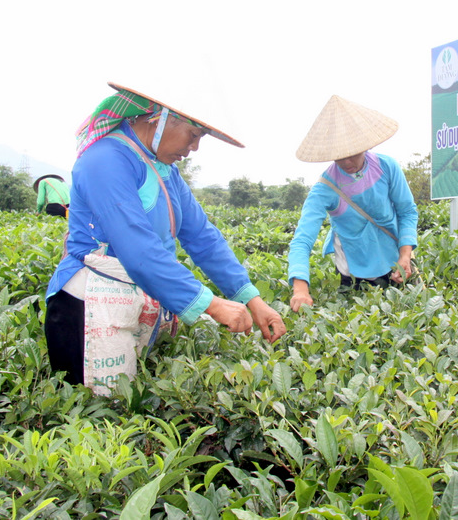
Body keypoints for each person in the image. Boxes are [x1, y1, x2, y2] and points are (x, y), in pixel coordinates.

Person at [44, 82, 286, 394]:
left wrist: (251, 299)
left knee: (127, 411)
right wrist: (211, 304)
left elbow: (203, 237)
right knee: (93, 419)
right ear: (161, 118)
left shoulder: (164, 171)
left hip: (132, 302)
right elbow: (138, 249)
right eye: (194, 134)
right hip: (85, 309)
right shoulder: (104, 160)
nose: (195, 147)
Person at [287, 95, 419, 311]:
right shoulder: (325, 188)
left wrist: (405, 255)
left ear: (364, 145)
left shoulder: (386, 167)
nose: (347, 162)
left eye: (352, 154)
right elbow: (302, 239)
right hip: (352, 266)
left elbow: (407, 211)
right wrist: (300, 288)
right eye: (339, 157)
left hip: (393, 257)